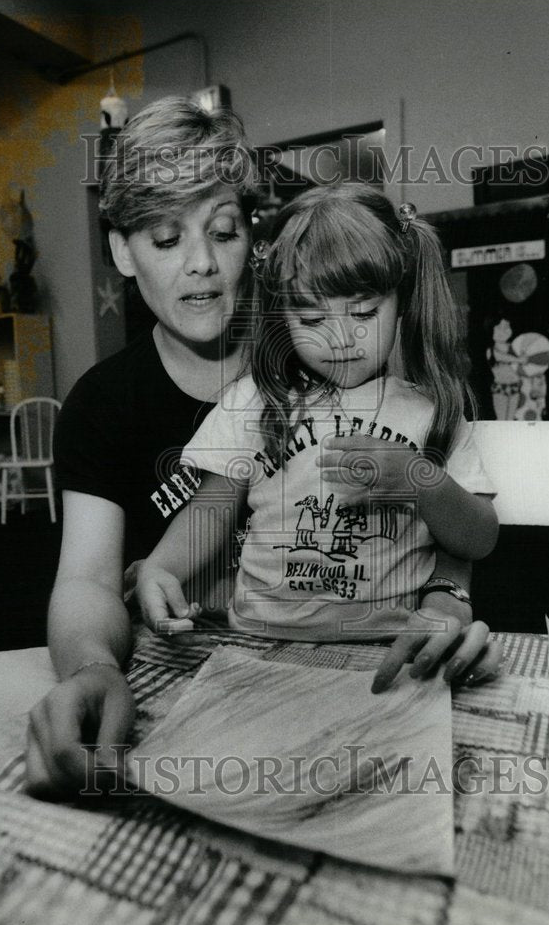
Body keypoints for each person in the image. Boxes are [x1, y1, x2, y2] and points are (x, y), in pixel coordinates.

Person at [26, 100, 499, 800]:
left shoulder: (364, 367)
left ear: (254, 233)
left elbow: (457, 521)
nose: (203, 265)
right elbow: (92, 581)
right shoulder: (107, 403)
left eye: (223, 231)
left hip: (373, 656)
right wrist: (93, 667)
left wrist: (448, 597)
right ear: (122, 251)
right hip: (226, 671)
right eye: (164, 239)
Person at [136, 184, 499, 671]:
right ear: (282, 315)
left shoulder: (433, 412)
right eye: (310, 316)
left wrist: (419, 480)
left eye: (364, 311)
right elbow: (214, 511)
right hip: (256, 649)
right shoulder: (253, 403)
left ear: (400, 298)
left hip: (390, 651)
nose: (341, 338)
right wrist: (163, 567)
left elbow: (478, 540)